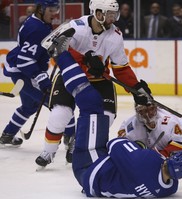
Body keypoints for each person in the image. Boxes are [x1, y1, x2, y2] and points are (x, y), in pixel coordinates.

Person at [42, 28, 182, 198]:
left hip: (89, 166)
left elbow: (115, 145)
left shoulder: (150, 161)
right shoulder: (170, 188)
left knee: (90, 101)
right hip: (99, 180)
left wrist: (140, 148)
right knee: (96, 109)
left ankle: (59, 53)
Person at [35, 0, 153, 167]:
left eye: (114, 14)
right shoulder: (75, 27)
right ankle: (49, 150)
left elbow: (121, 68)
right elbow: (53, 46)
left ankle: (79, 140)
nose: (113, 18)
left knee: (105, 119)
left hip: (99, 81)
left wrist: (136, 87)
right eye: (109, 14)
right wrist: (85, 59)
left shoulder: (115, 36)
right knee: (59, 115)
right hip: (72, 76)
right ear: (98, 13)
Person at [0, 0, 61, 147]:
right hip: (24, 72)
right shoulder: (36, 28)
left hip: (23, 70)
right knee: (57, 103)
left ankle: (7, 135)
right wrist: (41, 79)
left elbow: (38, 50)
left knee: (29, 106)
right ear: (41, 9)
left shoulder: (41, 22)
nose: (55, 13)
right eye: (51, 9)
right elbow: (25, 60)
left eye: (56, 9)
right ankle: (72, 138)